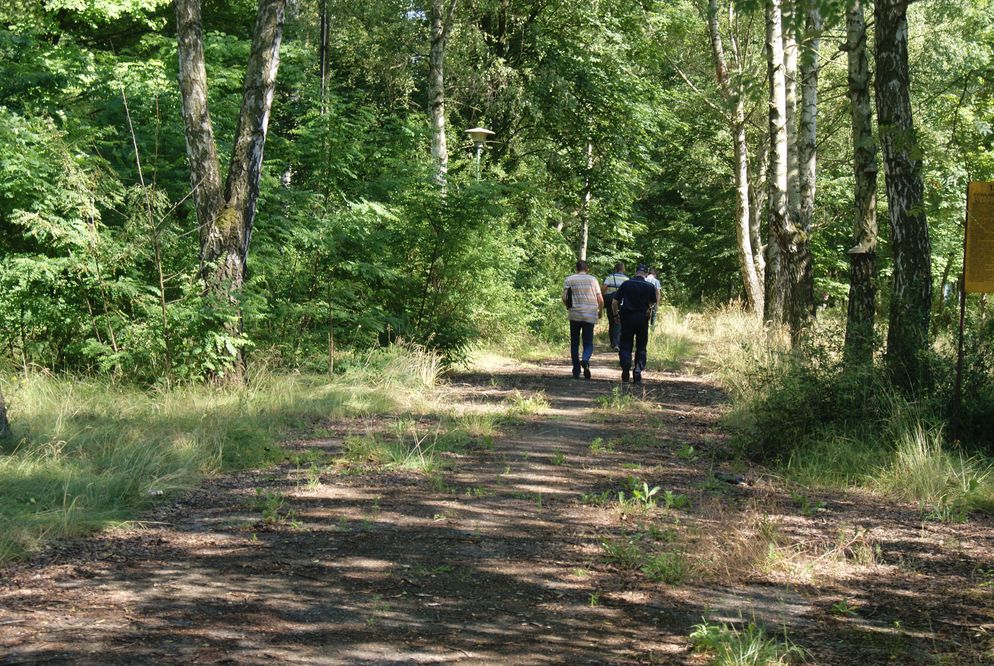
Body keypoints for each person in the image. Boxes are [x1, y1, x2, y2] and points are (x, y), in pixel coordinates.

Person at [611, 263, 660, 383]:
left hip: (627, 317)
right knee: (641, 346)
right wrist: (648, 309)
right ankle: (637, 371)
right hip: (642, 319)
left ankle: (626, 366)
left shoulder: (626, 284)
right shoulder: (649, 286)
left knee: (625, 343)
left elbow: (614, 302)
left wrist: (615, 315)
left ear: (635, 272)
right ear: (646, 273)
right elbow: (653, 302)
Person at [563, 259, 604, 379]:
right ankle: (585, 359)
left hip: (574, 314)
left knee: (574, 342)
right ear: (587, 269)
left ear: (576, 269)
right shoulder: (593, 279)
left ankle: (576, 370)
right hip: (590, 315)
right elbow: (600, 300)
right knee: (588, 342)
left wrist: (568, 307)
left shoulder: (569, 279)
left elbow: (564, 297)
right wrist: (600, 312)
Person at [602, 262, 628, 350]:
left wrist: (604, 295)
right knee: (619, 321)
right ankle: (617, 343)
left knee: (611, 321)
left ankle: (613, 343)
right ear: (623, 269)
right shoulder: (627, 279)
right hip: (621, 302)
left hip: (610, 301)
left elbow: (604, 287)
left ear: (615, 269)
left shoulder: (610, 277)